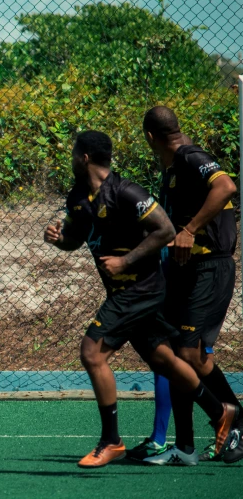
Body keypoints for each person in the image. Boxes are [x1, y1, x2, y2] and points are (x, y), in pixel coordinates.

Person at [43, 130, 237, 467]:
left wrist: (125, 260)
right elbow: (75, 239)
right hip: (122, 292)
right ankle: (221, 412)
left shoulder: (128, 192)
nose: (71, 158)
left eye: (74, 153)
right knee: (165, 360)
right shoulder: (77, 196)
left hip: (142, 289)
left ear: (85, 157)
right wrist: (58, 239)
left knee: (92, 352)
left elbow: (165, 231)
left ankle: (111, 440)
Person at [139, 106, 243, 465]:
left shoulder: (188, 156)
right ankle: (184, 447)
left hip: (209, 268)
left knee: (188, 356)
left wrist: (190, 229)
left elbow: (226, 186)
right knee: (177, 354)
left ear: (150, 137)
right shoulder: (173, 168)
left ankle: (234, 418)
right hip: (187, 270)